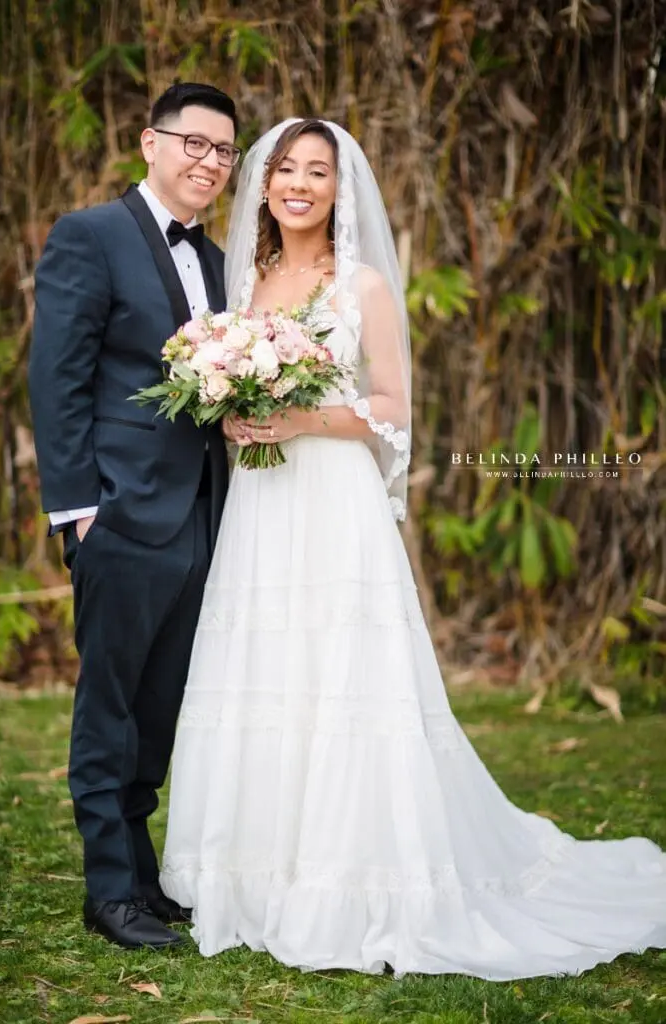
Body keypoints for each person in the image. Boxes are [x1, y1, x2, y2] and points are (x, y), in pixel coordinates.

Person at [159, 117, 666, 979]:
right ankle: (251, 872)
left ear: (337, 189)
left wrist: (299, 418)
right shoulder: (241, 285)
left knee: (342, 676)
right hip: (262, 504)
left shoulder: (360, 287)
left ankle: (349, 877)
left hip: (331, 501)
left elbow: (391, 405)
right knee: (266, 670)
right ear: (264, 185)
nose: (299, 184)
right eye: (285, 169)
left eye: (317, 172)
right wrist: (232, 405)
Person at [28, 82, 240, 949]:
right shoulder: (91, 235)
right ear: (149, 143)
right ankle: (107, 890)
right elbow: (57, 378)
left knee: (162, 705)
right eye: (194, 142)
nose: (209, 162)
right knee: (109, 703)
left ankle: (142, 880)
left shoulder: (221, 262)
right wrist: (80, 510)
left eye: (224, 151)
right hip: (118, 513)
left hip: (203, 515)